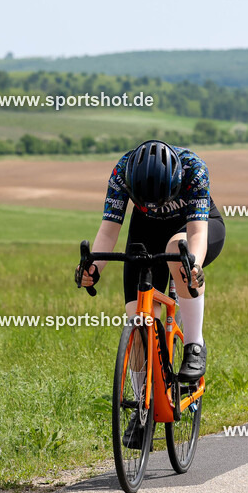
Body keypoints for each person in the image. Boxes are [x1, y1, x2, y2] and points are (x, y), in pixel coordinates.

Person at [76, 139, 225, 392]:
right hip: (147, 230)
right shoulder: (121, 172)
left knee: (177, 254)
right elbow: (109, 230)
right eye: (148, 201)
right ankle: (139, 409)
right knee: (138, 321)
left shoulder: (194, 169)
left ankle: (194, 345)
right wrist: (93, 269)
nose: (157, 206)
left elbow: (198, 233)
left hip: (191, 225)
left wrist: (194, 267)